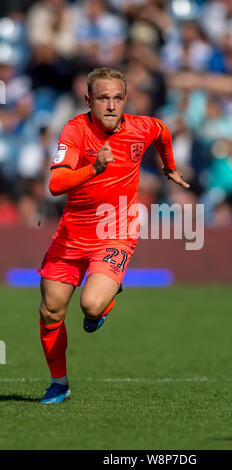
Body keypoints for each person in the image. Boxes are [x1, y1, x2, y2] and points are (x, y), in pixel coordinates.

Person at [37, 67, 189, 404]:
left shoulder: (141, 127)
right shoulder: (75, 131)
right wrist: (94, 168)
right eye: (103, 98)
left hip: (115, 229)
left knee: (90, 306)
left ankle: (104, 300)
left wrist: (169, 166)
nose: (110, 105)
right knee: (51, 310)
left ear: (125, 100)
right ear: (88, 100)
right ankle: (59, 383)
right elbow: (55, 184)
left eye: (117, 98)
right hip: (72, 233)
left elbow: (162, 131)